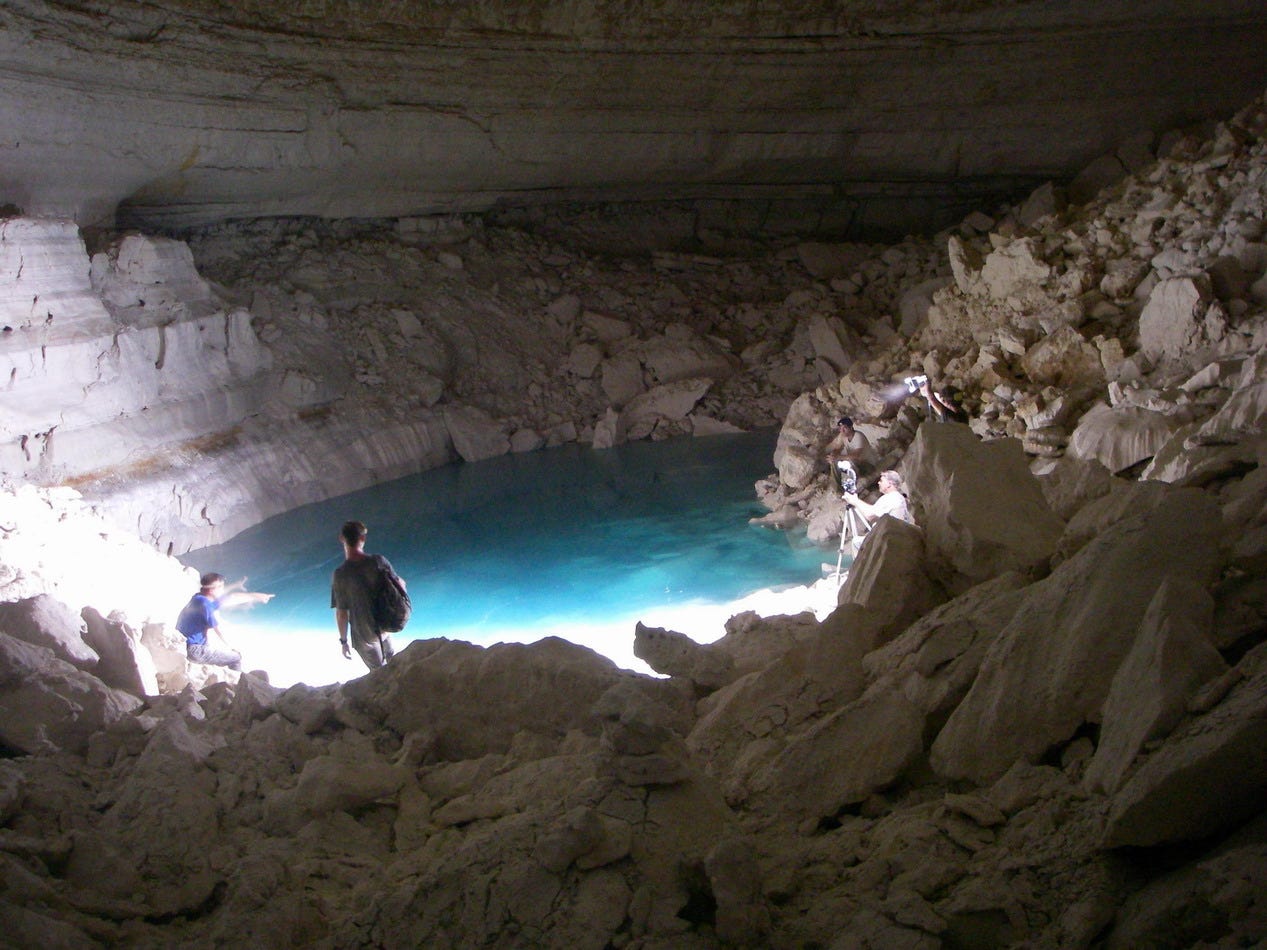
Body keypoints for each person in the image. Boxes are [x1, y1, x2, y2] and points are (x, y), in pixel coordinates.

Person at [331, 520, 403, 670]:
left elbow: (341, 614)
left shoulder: (340, 575)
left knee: (378, 673)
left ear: (342, 539)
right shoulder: (378, 561)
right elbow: (401, 586)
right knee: (395, 664)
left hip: (364, 634)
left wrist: (344, 642)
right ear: (362, 539)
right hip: (385, 625)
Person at [176, 572, 273, 670]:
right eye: (221, 587)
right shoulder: (205, 605)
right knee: (236, 658)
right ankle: (238, 683)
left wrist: (257, 596)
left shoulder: (199, 597)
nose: (223, 590)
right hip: (195, 650)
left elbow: (232, 597)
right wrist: (233, 647)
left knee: (224, 652)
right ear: (212, 589)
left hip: (184, 645)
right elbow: (218, 629)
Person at [841, 470, 913, 554]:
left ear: (890, 483)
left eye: (882, 481)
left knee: (856, 542)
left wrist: (854, 501)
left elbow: (870, 515)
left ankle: (863, 567)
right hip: (898, 536)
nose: (878, 483)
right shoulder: (899, 497)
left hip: (890, 539)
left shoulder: (890, 498)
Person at [824, 416, 880, 492]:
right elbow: (837, 448)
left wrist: (838, 457)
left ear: (851, 427)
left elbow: (856, 455)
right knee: (835, 462)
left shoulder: (858, 436)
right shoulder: (843, 436)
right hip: (857, 464)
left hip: (868, 465)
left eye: (845, 428)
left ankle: (849, 490)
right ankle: (838, 490)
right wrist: (833, 456)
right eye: (840, 429)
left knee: (848, 462)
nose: (842, 431)